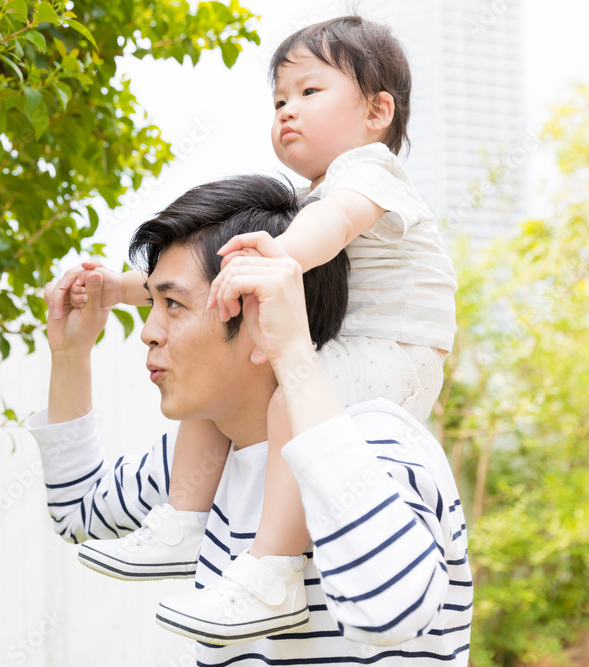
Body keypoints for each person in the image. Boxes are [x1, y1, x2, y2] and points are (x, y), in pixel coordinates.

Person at [53, 15, 458, 642]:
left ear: (379, 110)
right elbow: (76, 512)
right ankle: (183, 520)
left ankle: (272, 572)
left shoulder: (369, 175)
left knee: (286, 405)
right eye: (278, 100)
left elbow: (321, 235)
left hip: (397, 353)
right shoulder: (227, 427)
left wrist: (279, 257)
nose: (287, 111)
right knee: (240, 404)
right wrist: (108, 302)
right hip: (344, 352)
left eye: (309, 92)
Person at [29, 174, 471, 664]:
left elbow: (393, 611)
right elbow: (77, 513)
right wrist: (70, 355)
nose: (148, 332)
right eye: (151, 303)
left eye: (173, 304)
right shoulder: (200, 470)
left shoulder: (374, 446)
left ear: (261, 314)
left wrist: (295, 359)